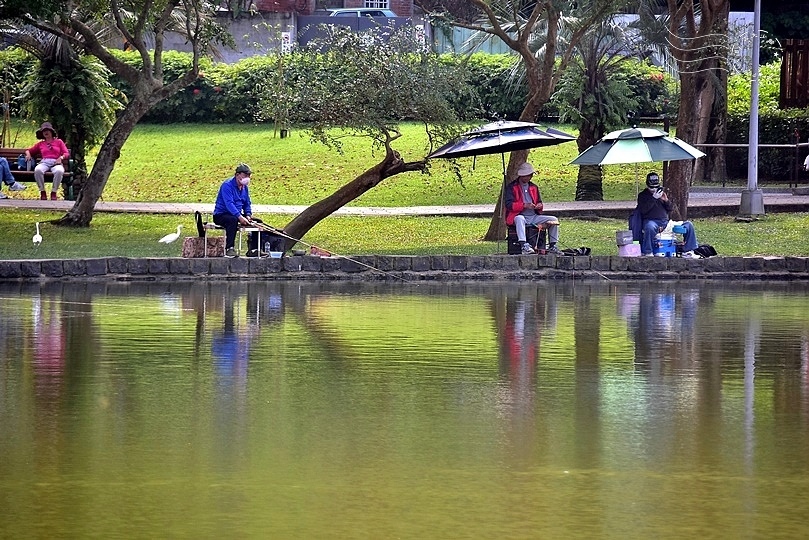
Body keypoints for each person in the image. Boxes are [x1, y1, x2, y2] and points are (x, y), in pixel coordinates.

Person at [213, 163, 283, 258]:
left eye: (249, 175)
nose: (247, 177)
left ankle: (254, 249)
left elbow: (247, 203)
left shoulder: (244, 187)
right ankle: (229, 248)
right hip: (221, 214)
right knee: (232, 220)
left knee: (257, 222)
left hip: (236, 214)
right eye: (245, 175)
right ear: (237, 175)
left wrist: (248, 215)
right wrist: (239, 217)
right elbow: (229, 204)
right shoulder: (227, 186)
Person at [636, 171, 700, 258]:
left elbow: (670, 209)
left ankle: (688, 250)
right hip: (652, 222)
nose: (654, 189)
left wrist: (666, 200)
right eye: (652, 187)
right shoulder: (643, 196)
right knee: (649, 227)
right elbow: (643, 210)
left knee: (688, 225)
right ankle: (648, 251)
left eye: (656, 187)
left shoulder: (661, 194)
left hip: (666, 223)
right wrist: (653, 198)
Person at [504, 162, 561, 254]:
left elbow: (539, 202)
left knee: (553, 219)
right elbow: (509, 205)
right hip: (518, 215)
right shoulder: (512, 187)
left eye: (528, 175)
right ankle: (523, 245)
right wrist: (524, 205)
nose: (526, 178)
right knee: (520, 219)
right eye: (524, 176)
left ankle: (552, 245)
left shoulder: (534, 187)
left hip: (534, 216)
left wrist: (539, 206)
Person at [25, 122, 70, 201]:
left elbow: (66, 153)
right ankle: (42, 192)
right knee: (38, 170)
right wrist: (28, 154)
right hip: (45, 162)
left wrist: (61, 158)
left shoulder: (59, 142)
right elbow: (29, 150)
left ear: (51, 132)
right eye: (44, 131)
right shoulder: (41, 144)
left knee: (59, 171)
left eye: (47, 130)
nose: (46, 132)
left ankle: (54, 192)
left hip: (56, 163)